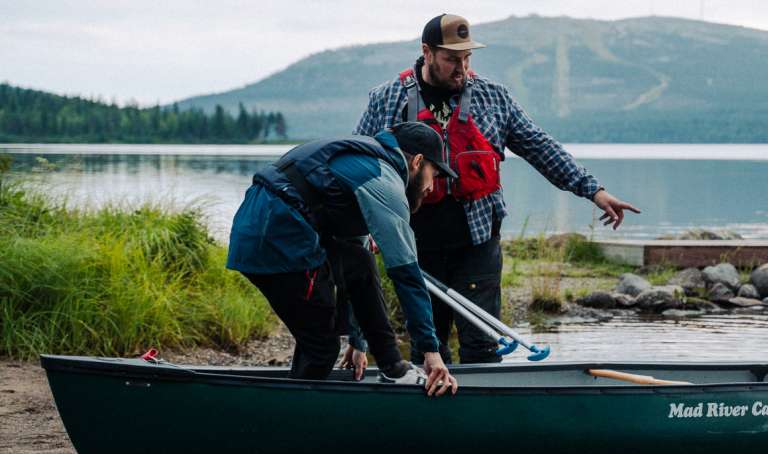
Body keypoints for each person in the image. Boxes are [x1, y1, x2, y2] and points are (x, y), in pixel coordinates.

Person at [355, 13, 640, 364]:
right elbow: (358, 165)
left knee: (482, 347)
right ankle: (429, 415)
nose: (461, 68)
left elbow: (539, 147)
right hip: (416, 245)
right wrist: (363, 229)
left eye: (467, 58)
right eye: (451, 59)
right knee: (427, 345)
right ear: (427, 53)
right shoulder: (386, 98)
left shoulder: (493, 97)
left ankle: (485, 413)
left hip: (477, 244)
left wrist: (594, 190)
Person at [226, 122, 458, 396]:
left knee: (360, 262)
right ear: (418, 162)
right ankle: (294, 419)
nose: (433, 187)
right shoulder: (383, 179)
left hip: (266, 230)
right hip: (277, 238)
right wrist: (431, 351)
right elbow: (407, 273)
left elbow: (356, 273)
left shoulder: (365, 164)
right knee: (321, 345)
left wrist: (359, 341)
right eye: (435, 174)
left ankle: (393, 368)